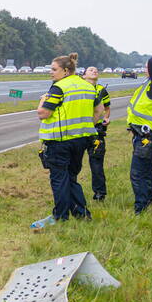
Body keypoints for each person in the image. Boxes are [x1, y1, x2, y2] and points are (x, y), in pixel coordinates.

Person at [31, 53, 104, 228]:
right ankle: (81, 213)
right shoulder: (87, 86)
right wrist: (87, 124)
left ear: (65, 70)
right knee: (71, 177)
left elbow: (43, 114)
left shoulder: (58, 87)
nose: (51, 72)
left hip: (59, 140)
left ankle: (60, 216)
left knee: (59, 178)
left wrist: (42, 101)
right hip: (81, 140)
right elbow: (100, 110)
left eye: (54, 69)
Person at [127, 55, 152, 214]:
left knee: (138, 173)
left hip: (149, 135)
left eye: (147, 67)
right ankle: (148, 200)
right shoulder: (147, 84)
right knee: (147, 170)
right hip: (142, 133)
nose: (146, 69)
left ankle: (141, 207)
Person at [82, 66, 112, 200]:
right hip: (79, 130)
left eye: (96, 70)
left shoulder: (101, 90)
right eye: (90, 70)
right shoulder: (79, 89)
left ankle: (100, 193)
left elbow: (107, 108)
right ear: (83, 75)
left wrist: (106, 119)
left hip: (96, 131)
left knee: (96, 163)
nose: (94, 71)